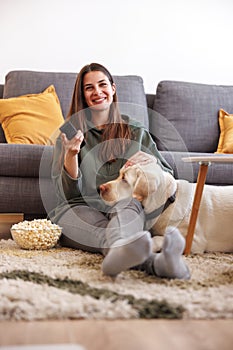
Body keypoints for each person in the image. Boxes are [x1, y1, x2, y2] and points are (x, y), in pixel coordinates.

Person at [49, 62, 190, 280]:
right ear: (82, 95)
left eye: (102, 84)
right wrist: (70, 157)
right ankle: (160, 265)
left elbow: (165, 174)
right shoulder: (69, 134)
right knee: (110, 235)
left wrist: (149, 162)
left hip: (124, 205)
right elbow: (66, 197)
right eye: (89, 88)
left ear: (113, 89)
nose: (97, 92)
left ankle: (126, 256)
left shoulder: (134, 130)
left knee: (126, 210)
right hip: (78, 208)